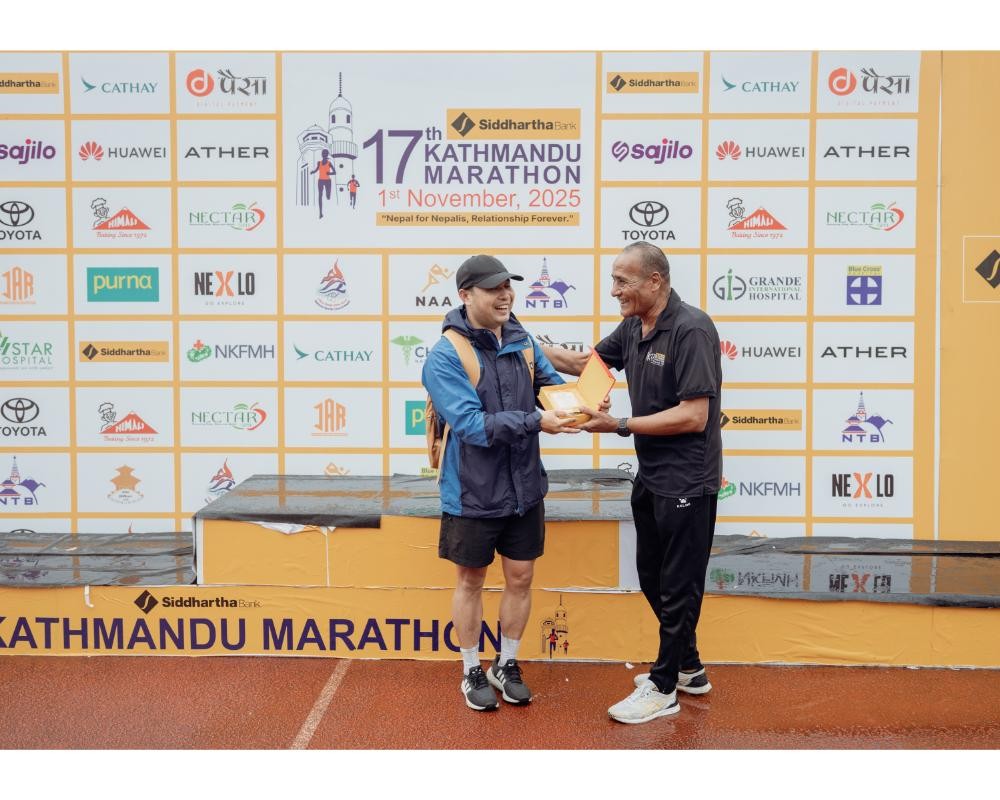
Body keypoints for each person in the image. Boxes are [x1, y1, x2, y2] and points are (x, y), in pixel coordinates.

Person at [542, 242, 723, 725]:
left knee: (679, 586)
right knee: (652, 577)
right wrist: (528, 346)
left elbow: (694, 415)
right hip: (652, 476)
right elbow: (588, 367)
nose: (614, 290)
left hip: (689, 479)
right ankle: (689, 668)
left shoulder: (691, 329)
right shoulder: (632, 327)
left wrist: (619, 424)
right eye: (614, 280)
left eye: (623, 281)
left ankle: (663, 686)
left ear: (655, 282)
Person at [421, 254, 579, 712]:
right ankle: (471, 669)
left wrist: (583, 403)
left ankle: (506, 663)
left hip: (524, 486)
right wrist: (535, 420)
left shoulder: (522, 340)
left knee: (521, 577)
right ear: (465, 295)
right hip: (472, 490)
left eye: (508, 286)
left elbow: (551, 389)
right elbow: (472, 426)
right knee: (470, 581)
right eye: (493, 288)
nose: (505, 295)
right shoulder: (445, 356)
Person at [310, 149, 334, 218]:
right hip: (320, 180)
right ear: (322, 155)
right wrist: (313, 172)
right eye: (323, 154)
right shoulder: (319, 163)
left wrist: (329, 173)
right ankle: (320, 213)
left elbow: (335, 172)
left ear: (326, 155)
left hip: (328, 181)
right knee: (320, 196)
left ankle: (328, 195)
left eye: (325, 154)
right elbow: (316, 169)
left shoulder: (329, 163)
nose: (323, 155)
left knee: (328, 197)